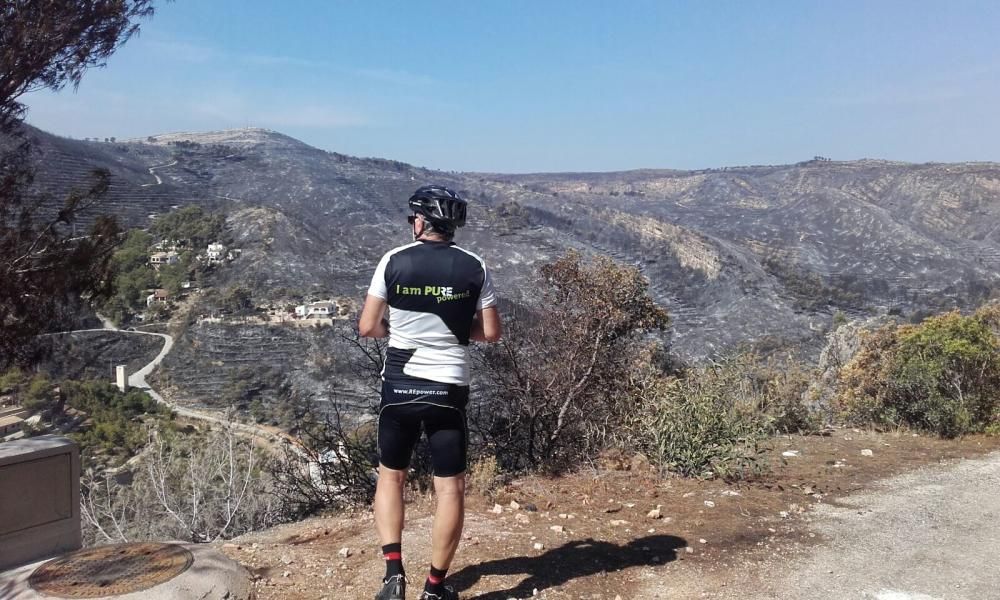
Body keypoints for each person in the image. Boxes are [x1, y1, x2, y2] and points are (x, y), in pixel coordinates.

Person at [359, 185, 502, 600]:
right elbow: (491, 333)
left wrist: (399, 331)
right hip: (448, 390)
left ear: (421, 222)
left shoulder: (394, 261)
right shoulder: (475, 266)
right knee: (450, 488)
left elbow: (368, 326)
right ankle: (434, 587)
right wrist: (456, 331)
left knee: (391, 476)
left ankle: (392, 576)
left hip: (399, 386)